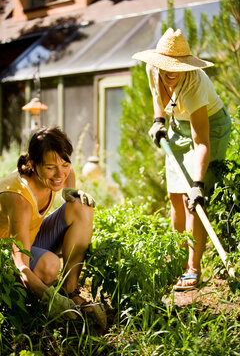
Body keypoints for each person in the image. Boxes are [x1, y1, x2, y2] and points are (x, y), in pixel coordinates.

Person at [132, 28, 232, 290]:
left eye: (177, 66)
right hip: (178, 126)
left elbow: (201, 142)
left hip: (210, 128)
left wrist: (198, 184)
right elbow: (159, 97)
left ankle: (193, 268)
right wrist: (159, 121)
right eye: (167, 66)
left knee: (191, 200)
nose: (171, 71)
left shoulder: (195, 84)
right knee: (175, 196)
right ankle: (176, 261)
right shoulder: (153, 70)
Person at [0, 126, 106, 325]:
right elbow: (21, 265)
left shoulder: (56, 167)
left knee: (81, 206)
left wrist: (70, 189)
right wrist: (53, 300)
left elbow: (66, 170)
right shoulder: (19, 197)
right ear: (33, 164)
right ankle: (39, 305)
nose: (59, 174)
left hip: (32, 237)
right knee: (50, 265)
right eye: (50, 168)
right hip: (7, 254)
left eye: (64, 164)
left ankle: (71, 291)